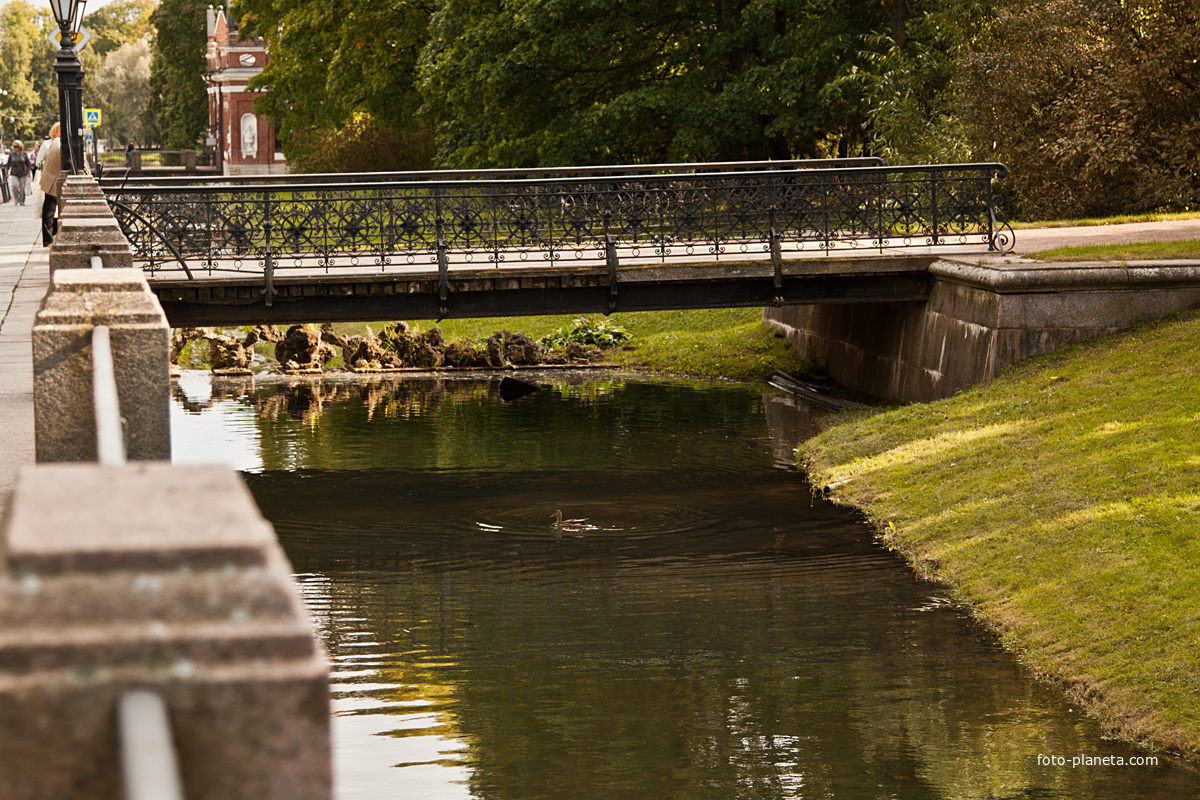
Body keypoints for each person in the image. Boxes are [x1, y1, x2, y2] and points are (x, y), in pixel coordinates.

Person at [39, 123, 63, 247]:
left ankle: (50, 237)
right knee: (50, 208)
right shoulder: (56, 143)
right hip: (52, 179)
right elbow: (39, 161)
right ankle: (48, 239)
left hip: (51, 178)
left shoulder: (56, 143)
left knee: (50, 208)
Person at [7, 141, 32, 206]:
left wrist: (29, 173)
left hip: (23, 172)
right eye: (14, 146)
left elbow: (28, 164)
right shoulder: (11, 154)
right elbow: (8, 164)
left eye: (16, 147)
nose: (14, 148)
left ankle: (22, 201)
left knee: (22, 187)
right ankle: (16, 199)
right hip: (14, 172)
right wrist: (6, 173)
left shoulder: (24, 154)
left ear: (20, 147)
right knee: (14, 186)